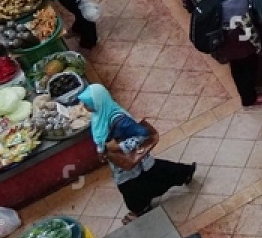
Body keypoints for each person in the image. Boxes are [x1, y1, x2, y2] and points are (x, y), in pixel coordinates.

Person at [82, 84, 197, 221]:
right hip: (123, 163)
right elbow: (101, 139)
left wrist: (118, 147)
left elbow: (143, 134)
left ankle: (141, 209)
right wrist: (102, 151)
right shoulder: (99, 115)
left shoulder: (120, 120)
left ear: (98, 102)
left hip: (130, 161)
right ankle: (184, 173)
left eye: (87, 103)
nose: (84, 106)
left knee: (129, 187)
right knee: (153, 174)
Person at [208, 0, 262, 108]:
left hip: (225, 39)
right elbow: (247, 28)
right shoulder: (237, 1)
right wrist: (257, 47)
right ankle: (250, 98)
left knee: (237, 68)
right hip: (239, 40)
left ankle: (249, 92)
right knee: (246, 67)